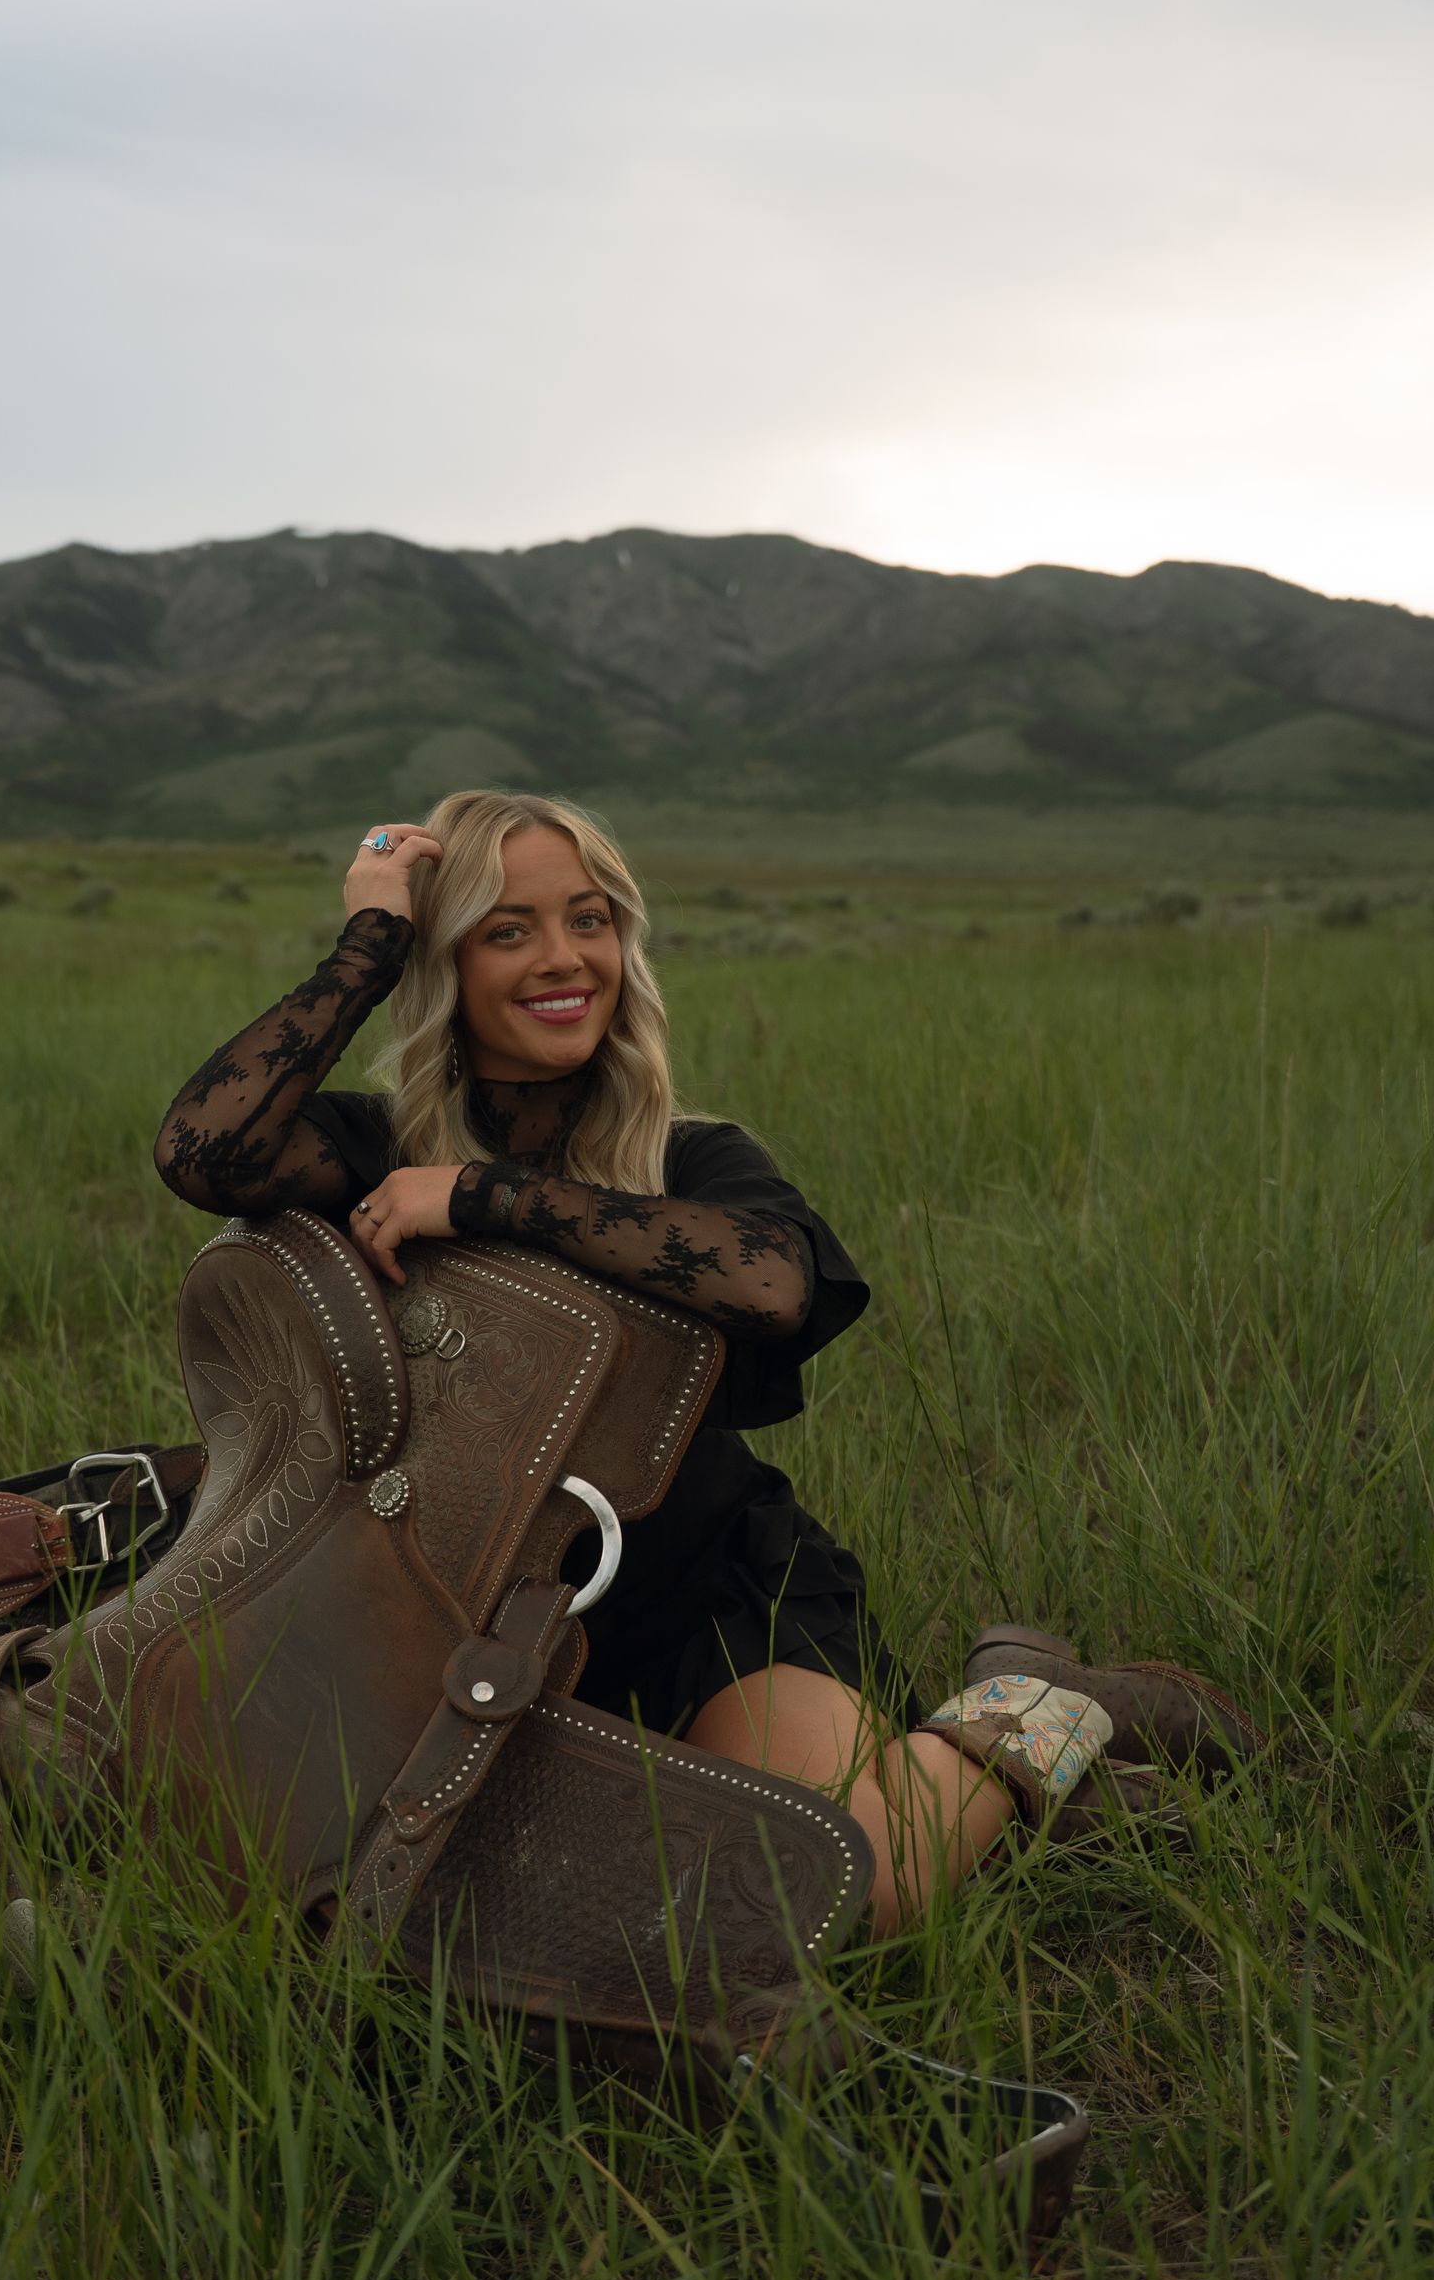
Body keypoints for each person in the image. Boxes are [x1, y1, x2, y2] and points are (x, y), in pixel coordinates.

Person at [154, 791, 1261, 1936]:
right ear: (448, 960)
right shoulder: (368, 1151)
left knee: (845, 1892)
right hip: (454, 1611)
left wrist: (483, 1195)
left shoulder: (690, 1156)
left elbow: (774, 1285)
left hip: (712, 1598)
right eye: (507, 929)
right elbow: (202, 1147)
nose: (564, 958)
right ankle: (1041, 1799)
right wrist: (372, 935)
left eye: (590, 919)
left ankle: (1032, 1706)